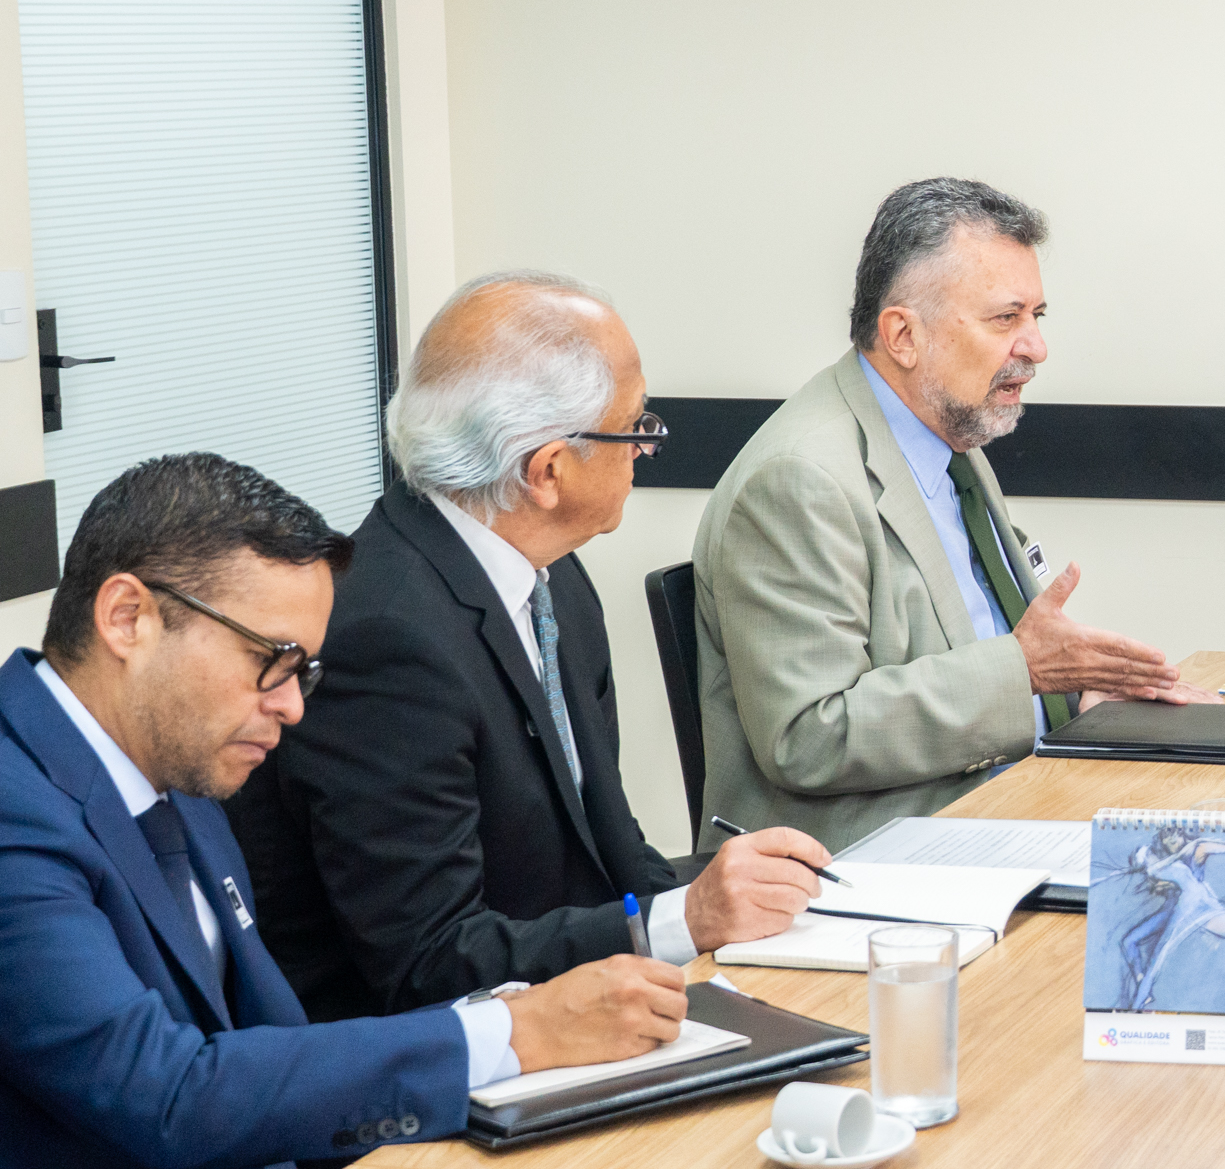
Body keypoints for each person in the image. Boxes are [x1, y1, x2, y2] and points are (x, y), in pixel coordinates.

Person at [0, 455, 685, 1169]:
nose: (292, 705)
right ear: (127, 617)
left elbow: (271, 1038)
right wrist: (510, 1032)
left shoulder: (178, 763)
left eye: (306, 672)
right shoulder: (19, 807)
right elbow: (168, 1093)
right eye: (273, 660)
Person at [226, 274, 828, 1020]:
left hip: (574, 1008)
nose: (646, 447)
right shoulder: (385, 637)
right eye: (635, 425)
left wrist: (725, 897)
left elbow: (613, 850)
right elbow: (429, 960)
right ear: (546, 471)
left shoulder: (555, 577)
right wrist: (681, 920)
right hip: (434, 1075)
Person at [693, 178, 1201, 848]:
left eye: (1037, 316)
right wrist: (1028, 672)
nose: (1036, 347)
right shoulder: (800, 479)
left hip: (1004, 803)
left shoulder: (950, 438)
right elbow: (809, 734)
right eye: (1005, 318)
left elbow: (988, 652)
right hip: (868, 859)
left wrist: (1085, 696)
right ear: (903, 334)